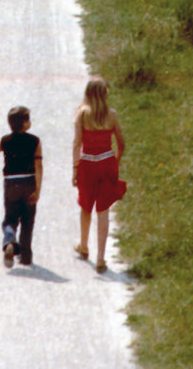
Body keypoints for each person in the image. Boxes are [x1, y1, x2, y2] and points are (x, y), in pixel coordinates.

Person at [72, 76, 126, 274]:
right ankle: (101, 258)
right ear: (105, 94)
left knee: (86, 205)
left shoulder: (82, 114)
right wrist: (115, 163)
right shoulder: (111, 115)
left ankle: (84, 245)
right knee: (103, 210)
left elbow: (77, 143)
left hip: (87, 164)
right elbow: (121, 144)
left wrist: (75, 168)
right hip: (107, 162)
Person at [0, 106, 42, 268]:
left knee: (10, 218)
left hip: (11, 183)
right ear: (24, 124)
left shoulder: (5, 141)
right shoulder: (35, 141)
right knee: (28, 220)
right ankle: (26, 256)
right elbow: (39, 166)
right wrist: (38, 189)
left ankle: (9, 240)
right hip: (29, 182)